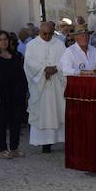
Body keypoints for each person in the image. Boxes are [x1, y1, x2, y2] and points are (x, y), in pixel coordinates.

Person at [24, 20, 67, 153]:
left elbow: (65, 61)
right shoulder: (32, 45)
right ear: (39, 32)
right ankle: (44, 143)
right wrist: (44, 70)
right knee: (43, 112)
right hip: (40, 86)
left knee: (58, 110)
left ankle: (60, 139)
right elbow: (29, 64)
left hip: (56, 85)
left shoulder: (59, 44)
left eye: (50, 34)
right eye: (44, 34)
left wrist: (55, 68)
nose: (47, 36)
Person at [0, 30, 27, 159]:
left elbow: (22, 74)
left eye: (5, 39)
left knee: (16, 121)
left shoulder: (16, 56)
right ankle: (2, 149)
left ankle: (14, 148)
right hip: (1, 93)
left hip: (17, 93)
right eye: (0, 39)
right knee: (1, 122)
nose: (3, 42)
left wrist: (25, 91)